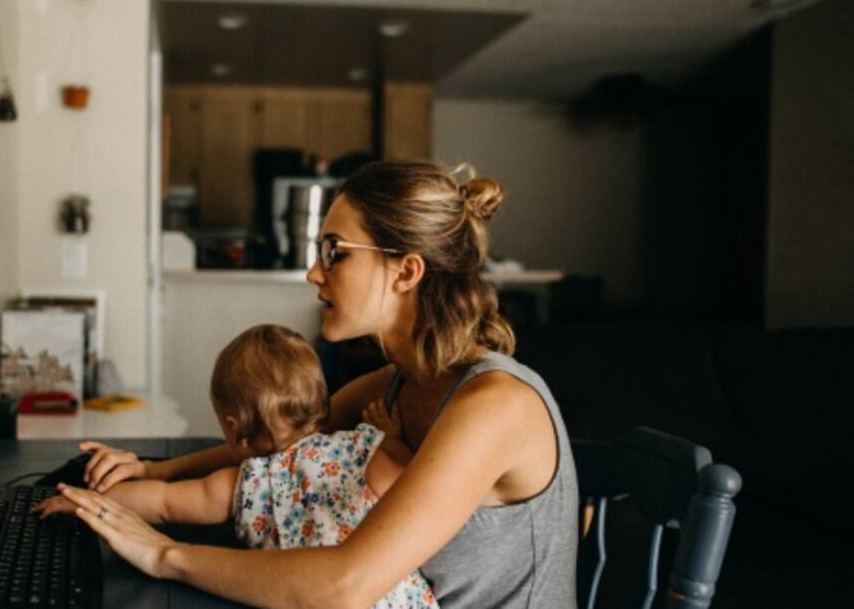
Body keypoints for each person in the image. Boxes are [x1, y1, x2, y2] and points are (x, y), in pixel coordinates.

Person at [53, 160, 579, 608]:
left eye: (334, 251)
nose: (313, 272)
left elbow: (345, 584)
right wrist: (153, 471)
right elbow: (285, 442)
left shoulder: (495, 406)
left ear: (406, 272)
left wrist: (161, 554)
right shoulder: (397, 383)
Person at [32, 323, 438, 608]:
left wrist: (86, 502)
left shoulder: (248, 483)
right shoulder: (363, 449)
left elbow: (163, 503)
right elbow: (405, 479)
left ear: (234, 428)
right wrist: (391, 437)